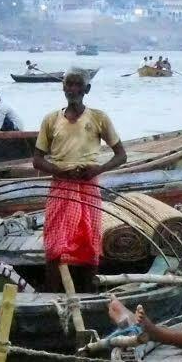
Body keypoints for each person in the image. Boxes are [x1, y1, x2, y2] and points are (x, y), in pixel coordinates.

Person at [31, 71, 127, 293]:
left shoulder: (99, 118)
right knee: (55, 241)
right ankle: (52, 293)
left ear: (86, 89)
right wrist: (60, 171)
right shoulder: (51, 120)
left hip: (88, 186)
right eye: (69, 85)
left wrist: (99, 169)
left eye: (77, 85)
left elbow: (121, 155)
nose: (73, 89)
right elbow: (37, 160)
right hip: (61, 186)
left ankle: (88, 292)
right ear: (63, 88)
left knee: (89, 240)